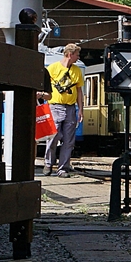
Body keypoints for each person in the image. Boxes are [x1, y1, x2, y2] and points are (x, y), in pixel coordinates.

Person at [43, 44, 84, 177]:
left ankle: (63, 169)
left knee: (69, 140)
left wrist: (81, 110)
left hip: (70, 108)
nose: (78, 57)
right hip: (54, 106)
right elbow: (44, 86)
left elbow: (79, 91)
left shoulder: (77, 71)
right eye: (77, 54)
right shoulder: (52, 68)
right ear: (70, 54)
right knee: (53, 136)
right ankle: (48, 163)